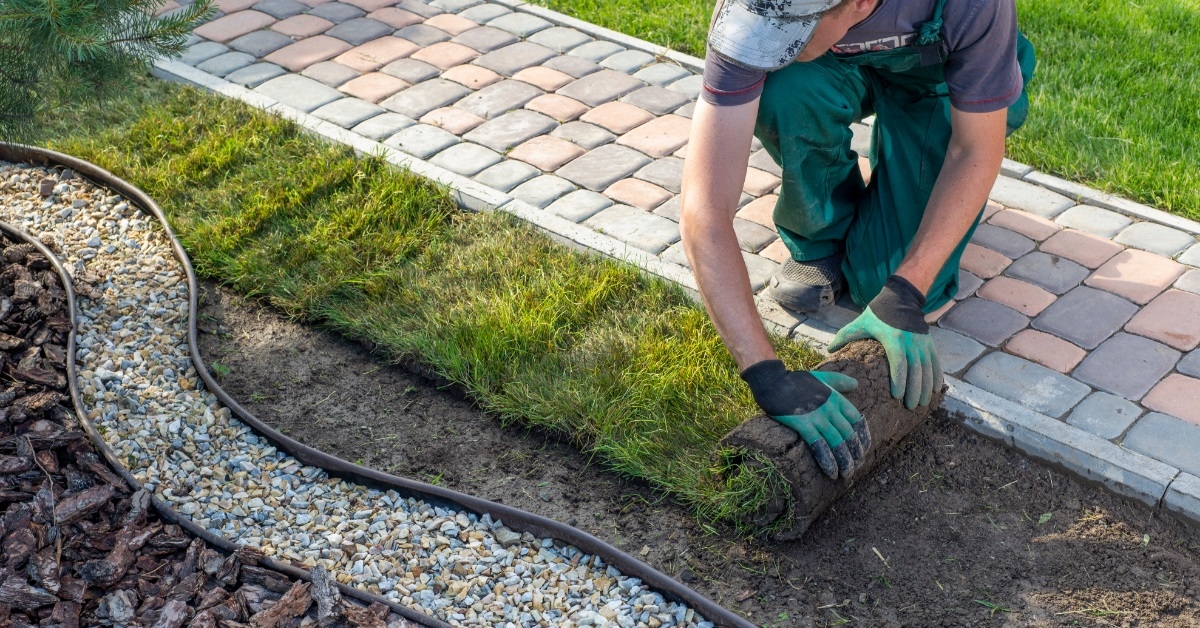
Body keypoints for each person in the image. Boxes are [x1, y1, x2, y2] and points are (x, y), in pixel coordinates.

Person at [679, 0, 1035, 481]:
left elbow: (975, 149)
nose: (769, 41)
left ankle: (904, 166)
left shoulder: (973, 5)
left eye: (794, 30)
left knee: (884, 286)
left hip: (935, 81)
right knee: (781, 86)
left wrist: (906, 291)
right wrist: (764, 373)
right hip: (830, 70)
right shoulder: (754, 11)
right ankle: (819, 240)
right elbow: (704, 206)